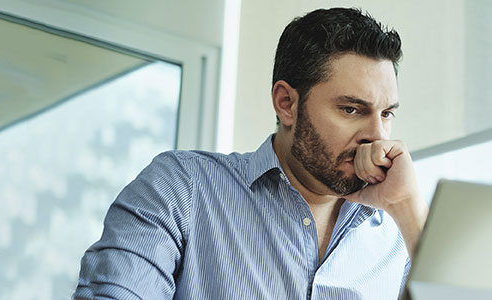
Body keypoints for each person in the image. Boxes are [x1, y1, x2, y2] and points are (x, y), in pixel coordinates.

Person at [73, 7, 428, 300]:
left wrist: (407, 210)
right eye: (351, 110)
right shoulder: (180, 190)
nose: (378, 138)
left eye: (386, 114)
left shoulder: (398, 237)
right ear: (286, 103)